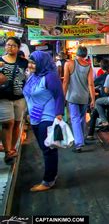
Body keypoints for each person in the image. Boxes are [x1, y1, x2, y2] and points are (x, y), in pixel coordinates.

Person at [23, 51, 65, 192]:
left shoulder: (50, 77)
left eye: (34, 63)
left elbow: (59, 95)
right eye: (30, 62)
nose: (31, 65)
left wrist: (59, 114)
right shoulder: (33, 76)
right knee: (44, 147)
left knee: (48, 149)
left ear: (42, 63)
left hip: (47, 117)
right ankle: (52, 173)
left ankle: (48, 181)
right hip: (35, 117)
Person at [0, 37, 28, 163]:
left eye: (13, 45)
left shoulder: (23, 62)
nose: (10, 47)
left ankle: (12, 148)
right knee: (8, 123)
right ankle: (7, 152)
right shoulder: (0, 61)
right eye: (8, 45)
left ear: (18, 47)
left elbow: (29, 74)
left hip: (19, 97)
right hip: (3, 96)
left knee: (17, 123)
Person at [63, 46, 95, 153]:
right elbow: (91, 84)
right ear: (85, 55)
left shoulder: (69, 64)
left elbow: (65, 82)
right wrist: (93, 99)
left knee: (75, 119)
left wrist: (63, 96)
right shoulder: (89, 66)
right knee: (81, 118)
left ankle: (78, 143)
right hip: (84, 97)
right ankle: (81, 139)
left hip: (72, 96)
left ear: (76, 53)